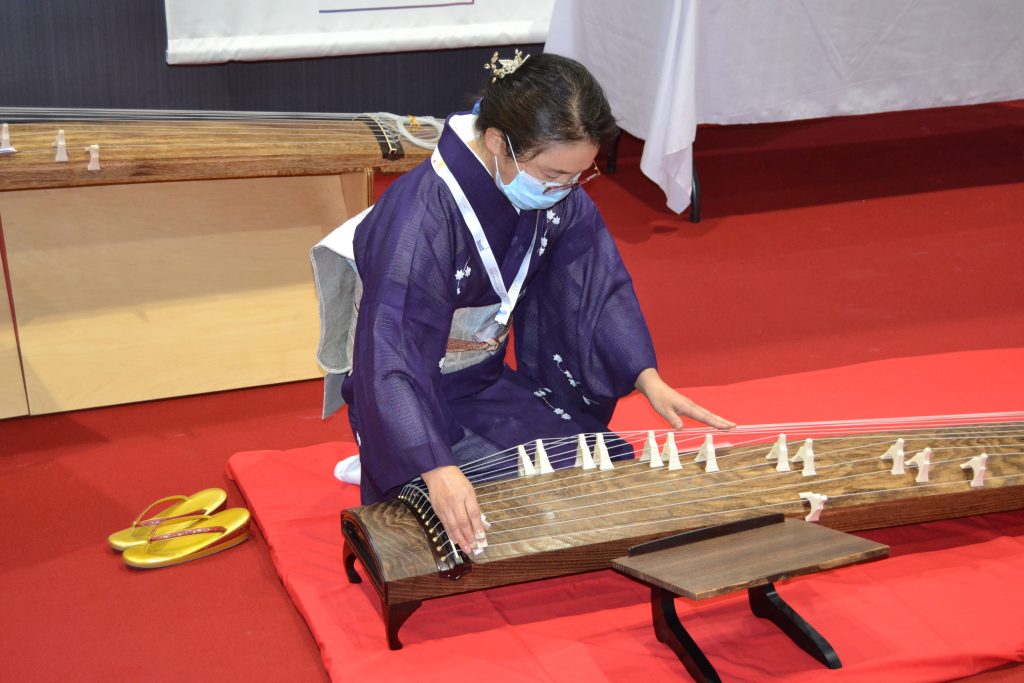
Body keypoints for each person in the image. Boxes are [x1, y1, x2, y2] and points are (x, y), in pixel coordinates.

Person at [313, 50, 733, 558]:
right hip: (410, 390)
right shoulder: (420, 216)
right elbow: (392, 351)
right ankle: (392, 454)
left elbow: (595, 286)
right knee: (507, 507)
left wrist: (648, 378)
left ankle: (434, 460)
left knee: (604, 465)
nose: (565, 190)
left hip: (482, 380)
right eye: (553, 174)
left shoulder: (552, 186)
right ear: (497, 143)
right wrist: (435, 465)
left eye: (579, 175)